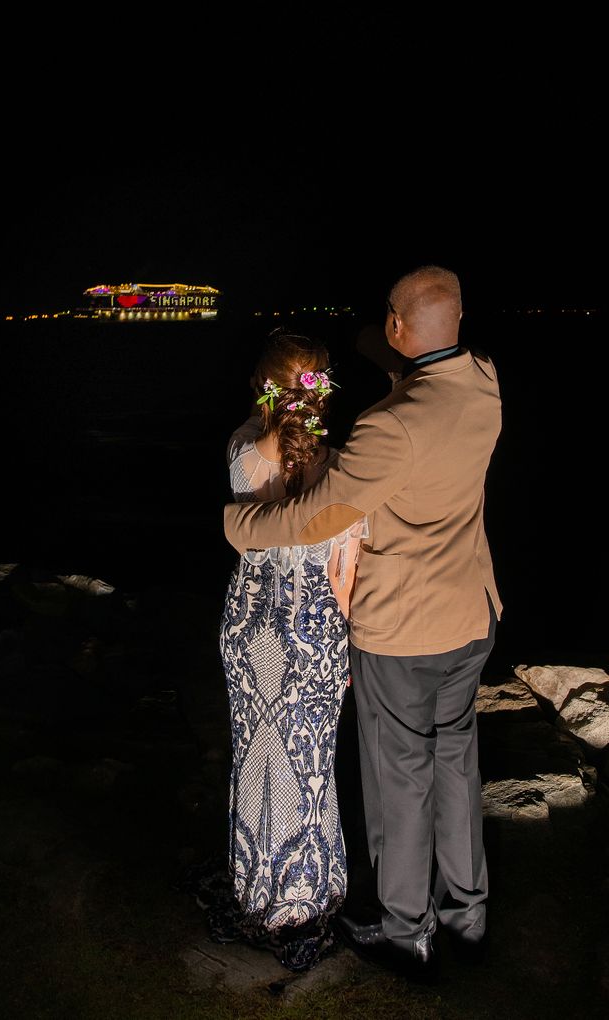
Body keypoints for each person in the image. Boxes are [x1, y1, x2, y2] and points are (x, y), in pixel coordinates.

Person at [223, 266, 502, 979]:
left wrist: (240, 523)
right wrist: (389, 345)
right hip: (471, 615)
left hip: (406, 631)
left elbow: (319, 514)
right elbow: (418, 362)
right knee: (455, 764)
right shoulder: (485, 384)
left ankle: (407, 930)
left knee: (399, 780)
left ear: (398, 326)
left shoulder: (390, 426)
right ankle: (466, 916)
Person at [217, 329, 367, 972]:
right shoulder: (344, 465)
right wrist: (353, 638)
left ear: (264, 385)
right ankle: (309, 891)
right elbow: (344, 573)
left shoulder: (243, 452)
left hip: (251, 628)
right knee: (311, 757)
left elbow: (248, 513)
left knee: (256, 754)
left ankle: (258, 887)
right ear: (322, 389)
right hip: (314, 628)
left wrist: (272, 408)